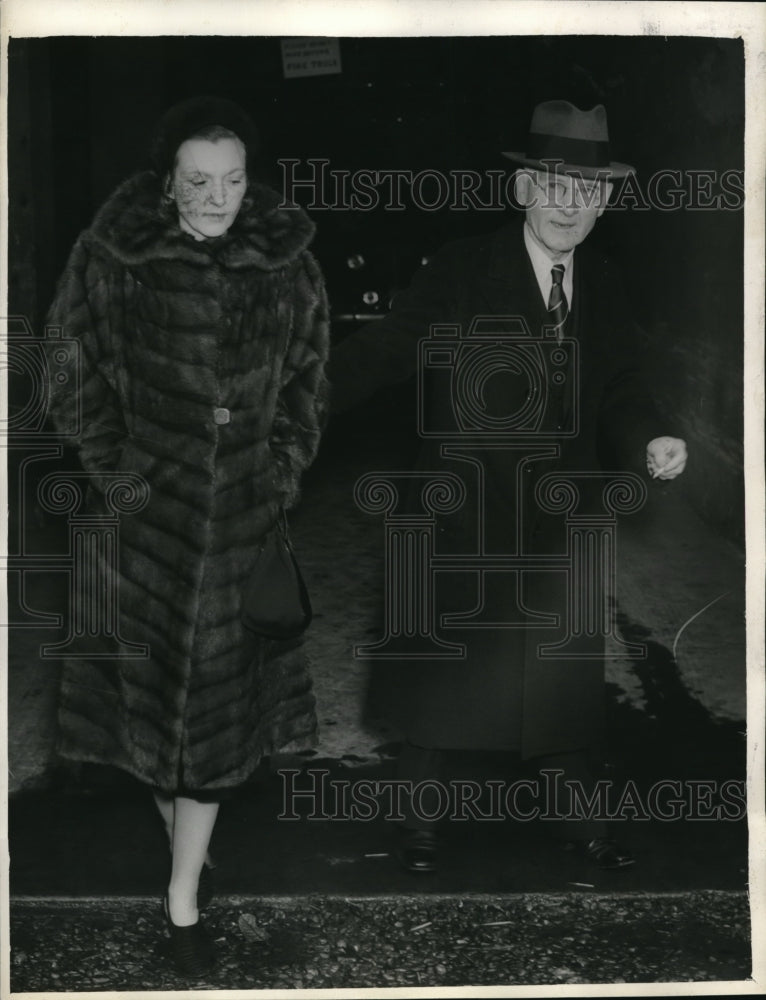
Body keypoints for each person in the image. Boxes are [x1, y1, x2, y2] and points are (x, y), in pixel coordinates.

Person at [328, 100, 687, 873]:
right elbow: (384, 351)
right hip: (468, 509)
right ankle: (418, 830)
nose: (569, 206)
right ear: (523, 189)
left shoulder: (605, 286)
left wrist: (648, 435)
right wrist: (291, 396)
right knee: (445, 679)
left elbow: (622, 383)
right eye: (554, 186)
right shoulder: (464, 269)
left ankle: (580, 828)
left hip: (562, 520)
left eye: (588, 192)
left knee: (556, 681)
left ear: (607, 203)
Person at [44, 96, 330, 976]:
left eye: (234, 181)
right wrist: (120, 471)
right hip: (144, 530)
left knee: (209, 722)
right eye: (199, 181)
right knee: (152, 715)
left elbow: (309, 385)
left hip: (241, 523)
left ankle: (182, 901)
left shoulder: (287, 264)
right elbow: (65, 369)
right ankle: (184, 845)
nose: (217, 199)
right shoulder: (113, 255)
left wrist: (274, 473)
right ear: (168, 180)